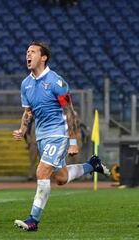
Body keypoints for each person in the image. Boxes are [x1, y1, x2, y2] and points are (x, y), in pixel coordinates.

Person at [12, 41, 110, 231]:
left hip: (58, 135)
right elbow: (28, 111)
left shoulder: (57, 82)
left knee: (41, 172)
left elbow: (70, 113)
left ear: (43, 57)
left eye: (32, 52)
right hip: (41, 137)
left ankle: (33, 220)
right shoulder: (26, 84)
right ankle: (93, 165)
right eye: (26, 52)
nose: (27, 55)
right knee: (61, 178)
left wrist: (73, 142)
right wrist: (22, 130)